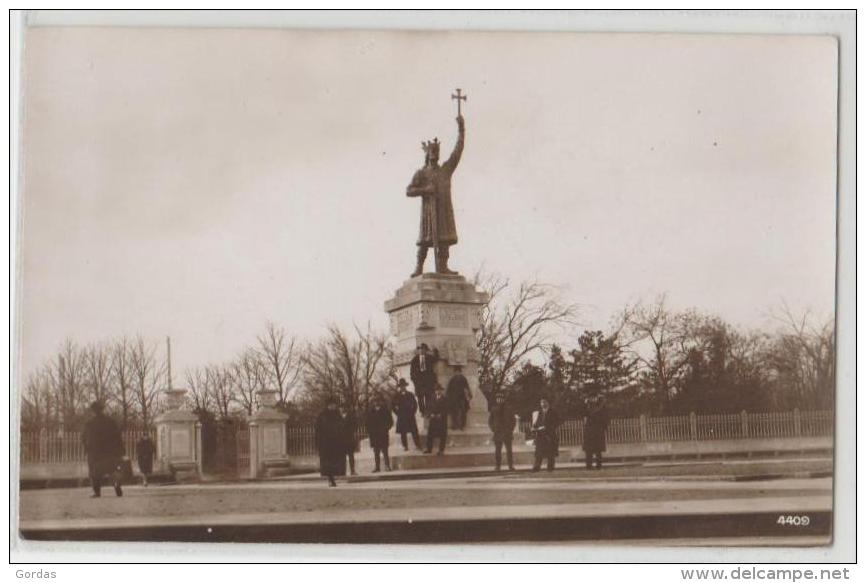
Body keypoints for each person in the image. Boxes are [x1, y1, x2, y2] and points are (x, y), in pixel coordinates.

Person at [407, 114, 465, 276]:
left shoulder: (445, 170)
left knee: (444, 239)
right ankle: (419, 267)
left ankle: (443, 267)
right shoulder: (422, 173)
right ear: (427, 154)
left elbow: (457, 152)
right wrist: (425, 190)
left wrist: (461, 130)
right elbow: (409, 190)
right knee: (425, 239)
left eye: (436, 151)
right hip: (429, 213)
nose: (434, 154)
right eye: (431, 152)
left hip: (444, 211)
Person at [82, 401, 124, 498]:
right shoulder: (111, 422)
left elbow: (84, 438)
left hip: (95, 453)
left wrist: (87, 449)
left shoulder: (89, 424)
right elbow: (118, 438)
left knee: (94, 472)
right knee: (112, 470)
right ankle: (116, 486)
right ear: (102, 410)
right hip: (110, 453)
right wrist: (120, 451)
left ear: (93, 411)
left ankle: (97, 492)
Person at [315, 398, 347, 487]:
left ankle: (333, 478)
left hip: (336, 443)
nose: (333, 406)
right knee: (327, 462)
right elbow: (318, 431)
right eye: (331, 404)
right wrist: (318, 443)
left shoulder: (338, 415)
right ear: (328, 405)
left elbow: (342, 428)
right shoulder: (322, 416)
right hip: (326, 443)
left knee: (335, 462)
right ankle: (330, 479)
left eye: (334, 404)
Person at [488, 391, 516, 471]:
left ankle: (511, 466)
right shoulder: (493, 409)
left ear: (504, 399)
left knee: (509, 451)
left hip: (507, 432)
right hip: (498, 432)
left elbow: (513, 420)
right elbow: (490, 421)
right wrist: (494, 429)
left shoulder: (509, 408)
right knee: (498, 451)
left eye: (501, 398)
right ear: (496, 400)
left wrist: (510, 429)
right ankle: (498, 466)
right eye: (498, 399)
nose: (499, 400)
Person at [531, 397, 560, 472]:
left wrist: (547, 427)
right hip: (541, 435)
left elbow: (557, 422)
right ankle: (537, 467)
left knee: (550, 452)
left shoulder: (553, 412)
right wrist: (534, 428)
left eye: (544, 402)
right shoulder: (539, 413)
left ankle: (550, 467)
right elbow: (536, 422)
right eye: (542, 402)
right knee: (539, 452)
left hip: (550, 434)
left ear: (548, 403)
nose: (543, 404)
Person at [366, 397, 394, 472]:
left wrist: (386, 428)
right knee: (376, 452)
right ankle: (377, 467)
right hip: (374, 435)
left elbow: (390, 422)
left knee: (385, 451)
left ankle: (387, 466)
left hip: (383, 434)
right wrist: (370, 431)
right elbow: (367, 423)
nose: (376, 403)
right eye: (374, 402)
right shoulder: (370, 412)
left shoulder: (385, 411)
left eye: (378, 402)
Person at [393, 378, 422, 450]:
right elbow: (393, 406)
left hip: (410, 416)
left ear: (405, 386)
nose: (403, 387)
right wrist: (398, 413)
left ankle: (418, 444)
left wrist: (413, 412)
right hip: (402, 416)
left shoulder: (410, 394)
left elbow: (415, 404)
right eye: (401, 386)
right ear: (399, 387)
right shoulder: (396, 395)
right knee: (403, 432)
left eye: (404, 386)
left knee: (414, 431)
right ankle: (405, 446)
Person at [583, 395, 610, 470]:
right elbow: (605, 421)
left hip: (590, 432)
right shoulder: (601, 410)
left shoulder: (589, 409)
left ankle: (589, 466)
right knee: (597, 451)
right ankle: (597, 466)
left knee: (590, 451)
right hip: (598, 432)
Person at [409, 343, 438, 415]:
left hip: (428, 382)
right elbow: (412, 372)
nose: (422, 351)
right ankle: (422, 411)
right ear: (418, 350)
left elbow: (436, 358)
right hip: (419, 383)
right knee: (420, 398)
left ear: (426, 350)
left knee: (429, 397)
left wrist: (435, 350)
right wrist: (415, 381)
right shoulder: (414, 360)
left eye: (424, 349)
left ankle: (428, 411)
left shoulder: (429, 358)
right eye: (420, 349)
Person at [424, 384, 449, 455]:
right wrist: (430, 414)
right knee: (430, 434)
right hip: (433, 420)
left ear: (441, 391)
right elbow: (428, 408)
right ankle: (429, 449)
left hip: (441, 420)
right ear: (435, 391)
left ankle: (441, 450)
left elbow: (447, 409)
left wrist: (441, 414)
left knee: (442, 435)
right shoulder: (431, 398)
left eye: (439, 390)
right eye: (437, 390)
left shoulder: (445, 399)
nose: (438, 391)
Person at [446, 365, 472, 430]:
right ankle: (455, 425)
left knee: (463, 412)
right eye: (456, 372)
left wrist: (468, 396)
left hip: (462, 398)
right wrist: (448, 397)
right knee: (454, 412)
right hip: (454, 399)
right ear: (454, 372)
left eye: (458, 372)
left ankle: (462, 425)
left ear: (460, 372)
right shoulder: (452, 379)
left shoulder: (463, 379)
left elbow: (467, 388)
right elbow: (449, 389)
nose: (457, 373)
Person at [338, 403, 358, 476]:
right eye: (341, 408)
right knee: (341, 457)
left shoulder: (351, 416)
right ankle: (342, 471)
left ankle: (352, 470)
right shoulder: (337, 417)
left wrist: (349, 431)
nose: (342, 409)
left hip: (349, 438)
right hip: (341, 439)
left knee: (351, 455)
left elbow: (355, 426)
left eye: (343, 407)